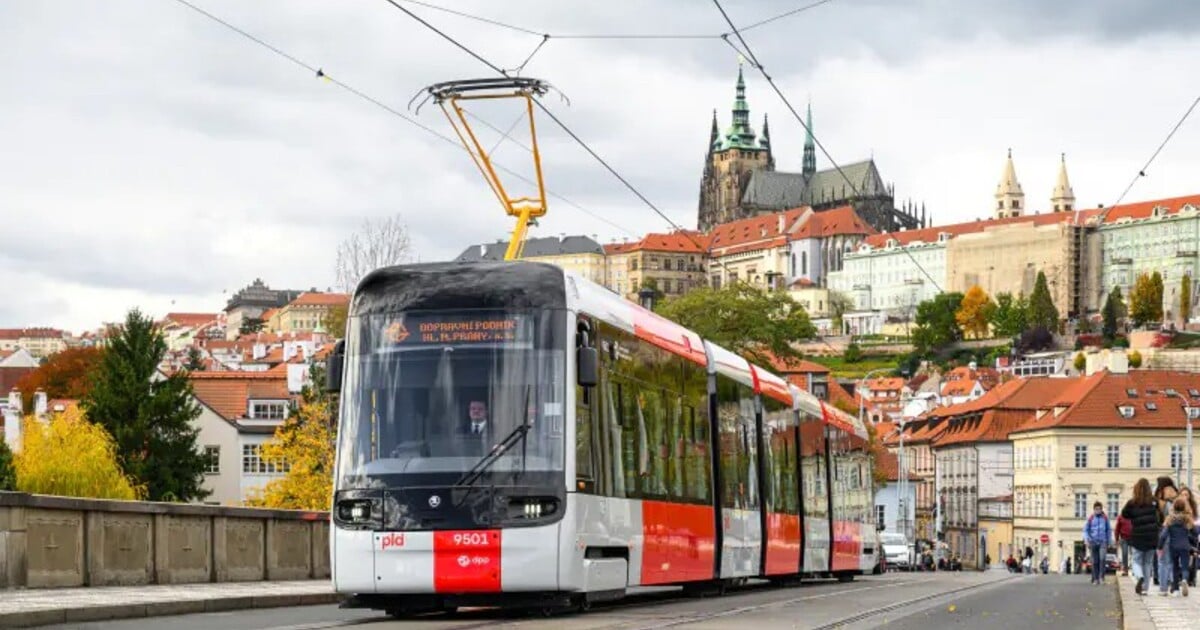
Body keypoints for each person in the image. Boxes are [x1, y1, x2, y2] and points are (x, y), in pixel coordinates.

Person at [1123, 478, 1165, 596]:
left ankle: (1139, 576)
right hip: (1152, 535)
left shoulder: (1132, 502)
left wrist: (1133, 516)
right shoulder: (1154, 501)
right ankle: (1145, 588)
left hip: (1138, 535)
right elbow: (1161, 517)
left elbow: (1124, 514)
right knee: (1148, 563)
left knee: (1136, 560)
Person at [1158, 497, 1195, 597]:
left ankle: (1176, 590)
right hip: (1185, 546)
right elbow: (1194, 532)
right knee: (1185, 566)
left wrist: (1160, 547)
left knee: (1175, 567)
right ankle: (1184, 579)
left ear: (1174, 507)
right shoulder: (1187, 519)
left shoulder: (1169, 519)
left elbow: (1163, 535)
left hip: (1173, 546)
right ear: (1184, 507)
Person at [1154, 477, 1179, 595]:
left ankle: (1163, 588)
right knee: (1171, 561)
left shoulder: (1158, 502)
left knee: (1163, 561)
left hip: (1162, 534)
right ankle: (1173, 585)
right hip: (1172, 533)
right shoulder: (1171, 502)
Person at [1083, 501, 1112, 585]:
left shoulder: (1105, 518)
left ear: (1101, 509)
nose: (1098, 510)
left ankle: (1102, 578)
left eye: (1099, 509)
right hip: (1093, 542)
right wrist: (1087, 539)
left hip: (1103, 542)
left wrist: (1109, 541)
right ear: (1094, 509)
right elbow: (1085, 530)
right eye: (1096, 509)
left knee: (1102, 559)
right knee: (1095, 561)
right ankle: (1095, 579)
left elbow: (1108, 530)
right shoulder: (1091, 518)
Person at [1116, 511, 1132, 576]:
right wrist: (1116, 539)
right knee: (1124, 554)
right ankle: (1125, 570)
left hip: (1133, 538)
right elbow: (1117, 528)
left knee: (1134, 554)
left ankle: (1135, 570)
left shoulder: (1133, 515)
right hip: (1124, 538)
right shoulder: (1121, 517)